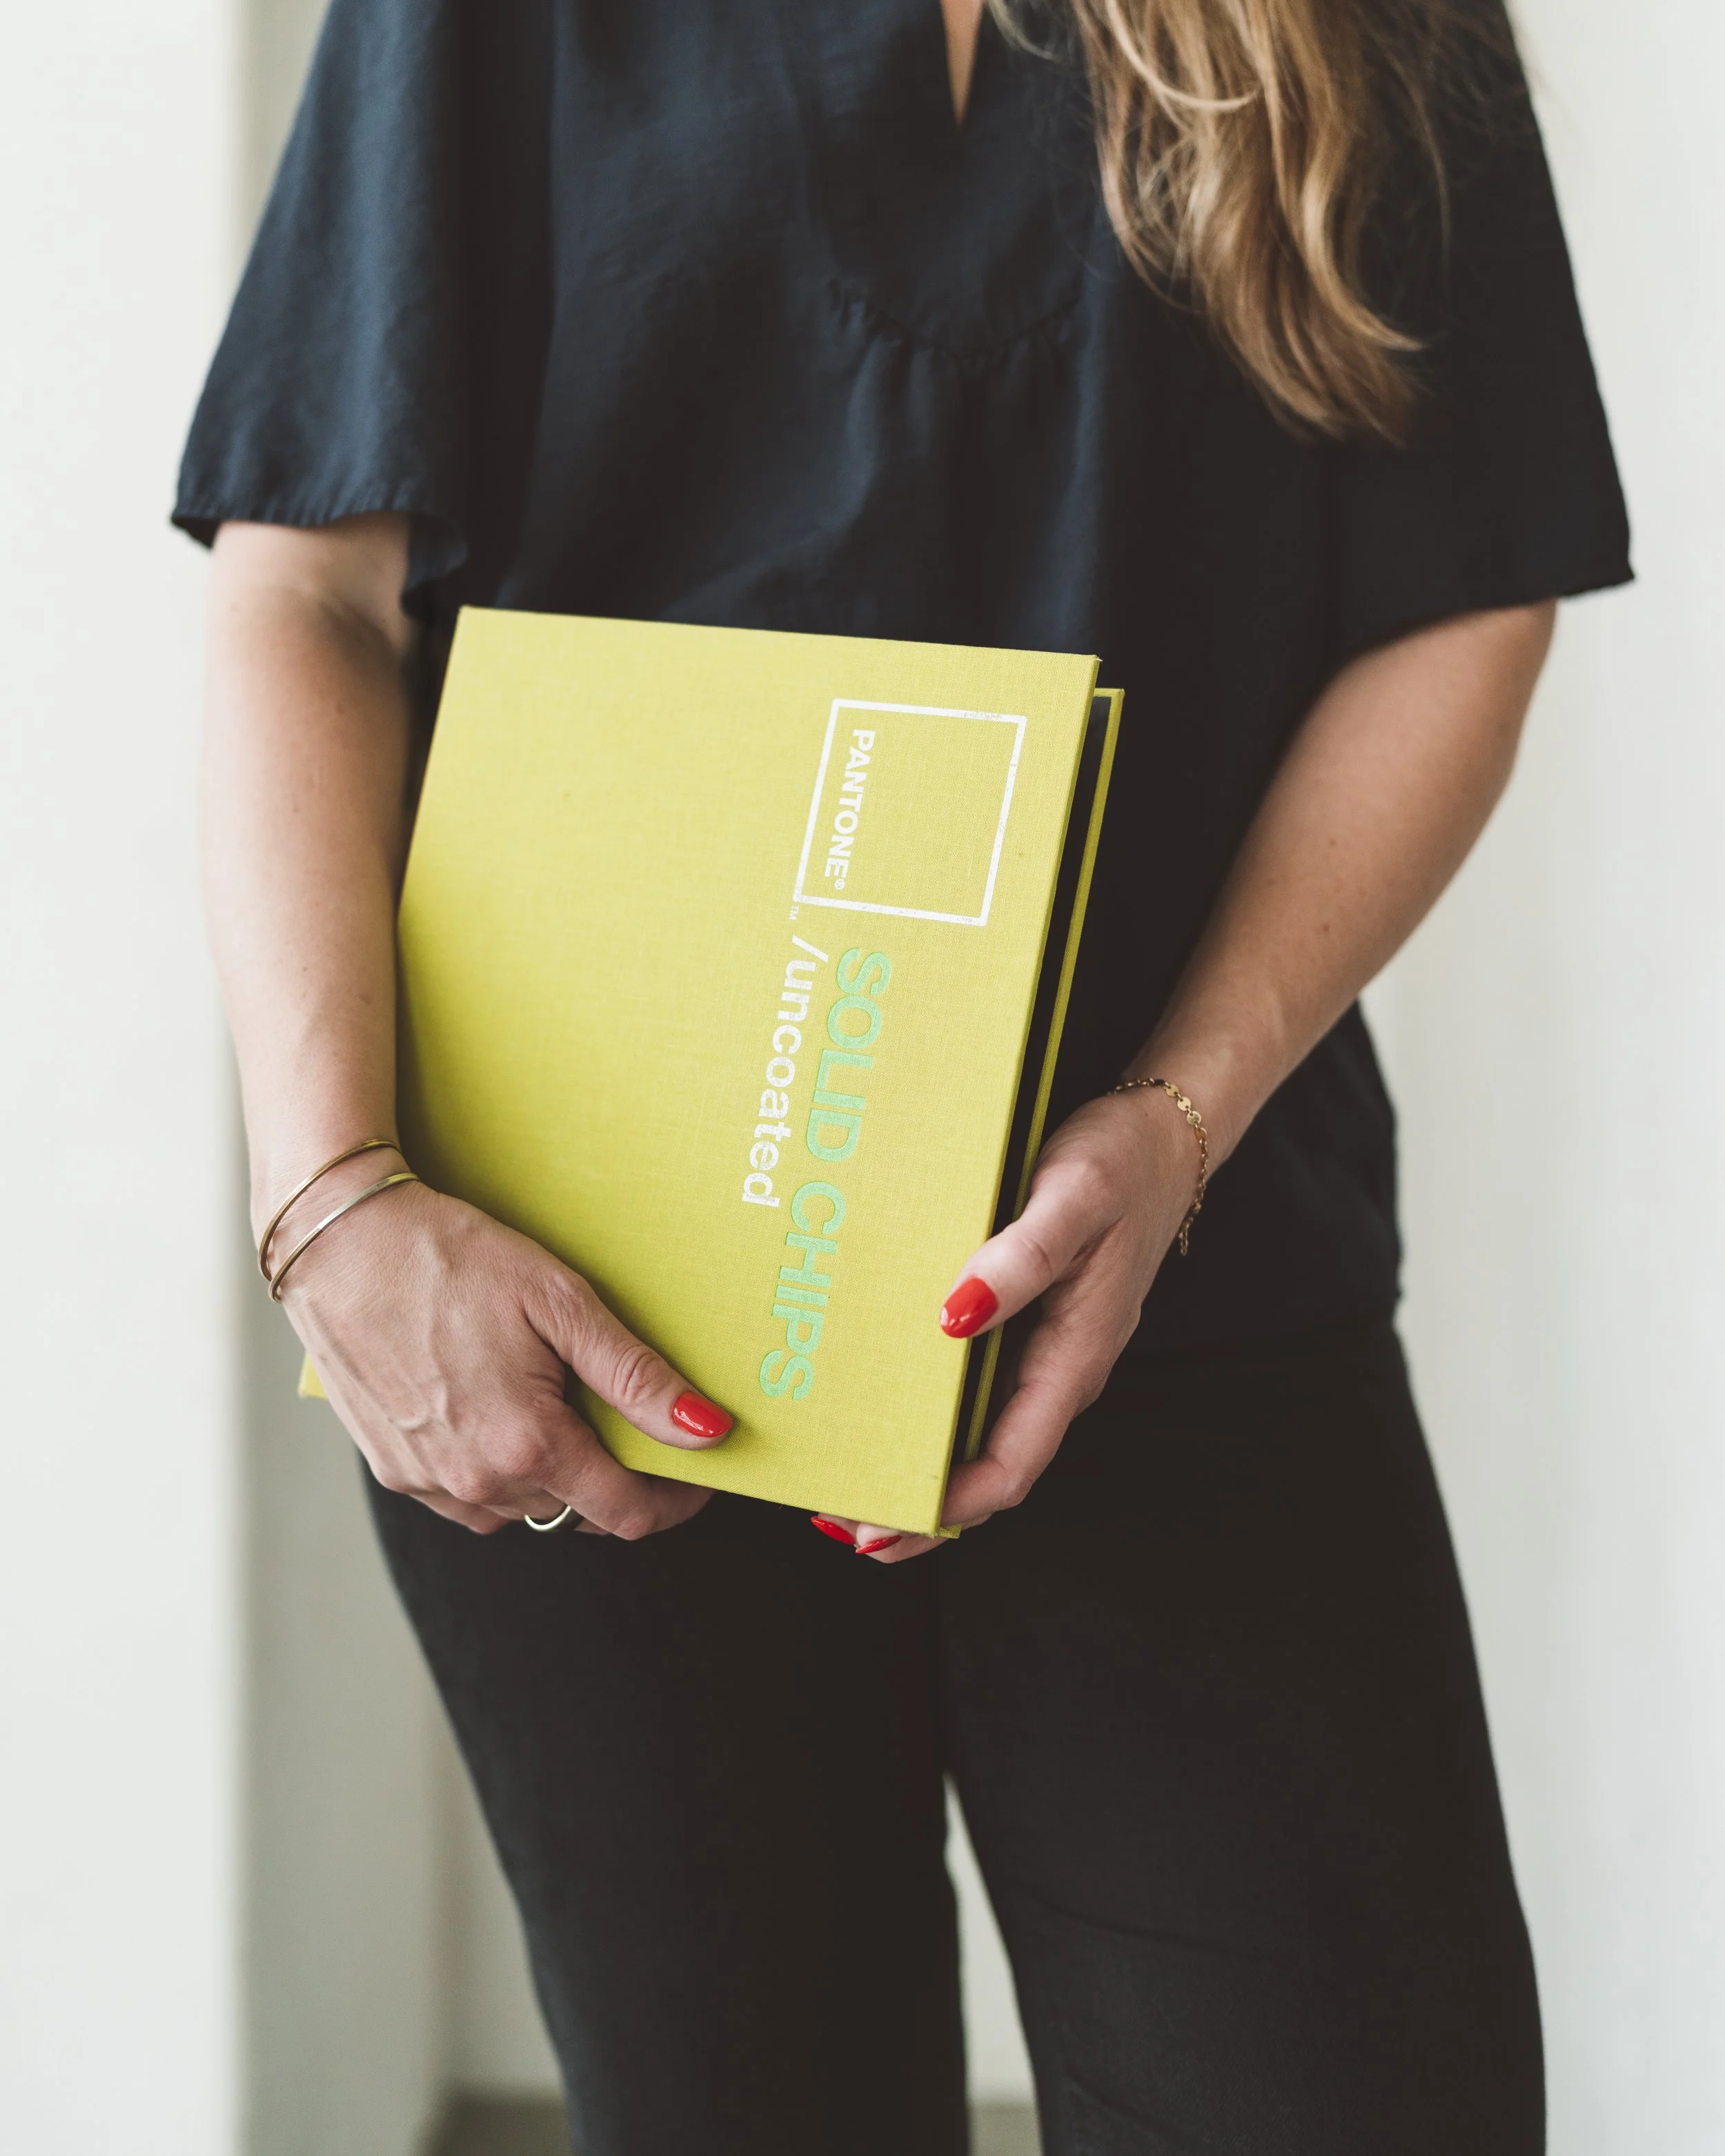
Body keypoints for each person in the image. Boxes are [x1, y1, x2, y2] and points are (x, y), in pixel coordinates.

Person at [177, 1, 1628, 2148]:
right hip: (587, 1318)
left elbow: (1462, 597)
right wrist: (335, 1206)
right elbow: (304, 582)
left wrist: (1183, 1112)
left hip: (1179, 1285)